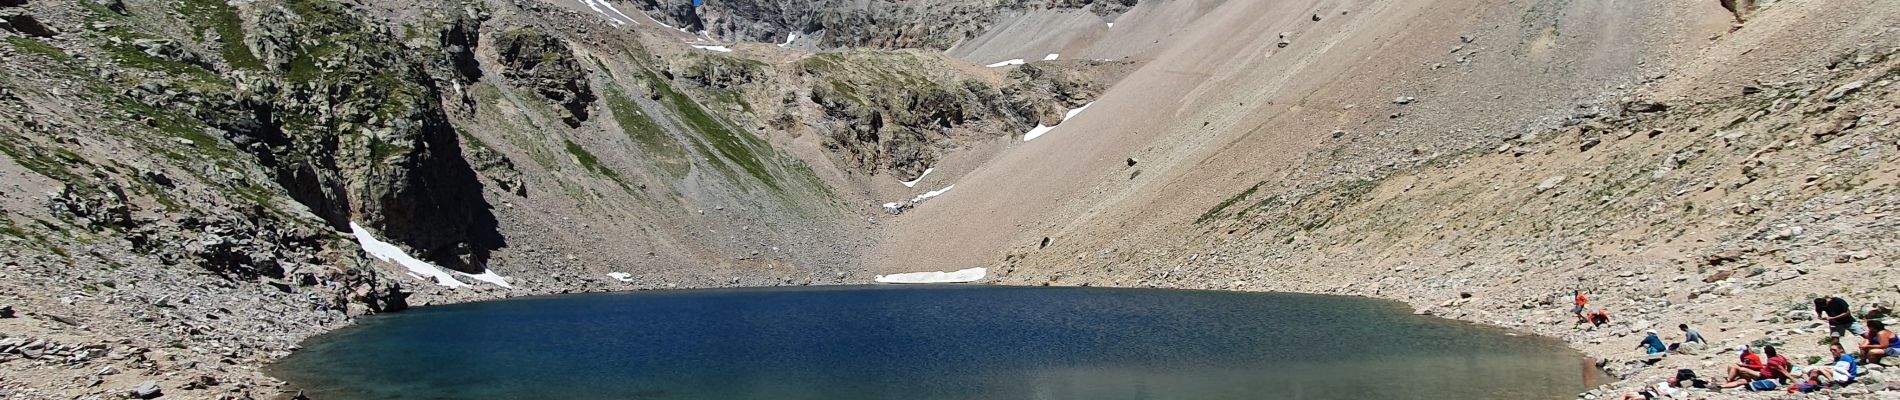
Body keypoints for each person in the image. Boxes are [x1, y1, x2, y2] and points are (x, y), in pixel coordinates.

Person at [1719, 345, 1791, 390]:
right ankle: (1725, 383)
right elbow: (1788, 365)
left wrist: (1746, 366)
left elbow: (1759, 366)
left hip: (1762, 375)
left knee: (1740, 370)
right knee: (1732, 366)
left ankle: (1728, 381)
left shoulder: (1755, 357)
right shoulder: (1779, 357)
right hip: (1762, 373)